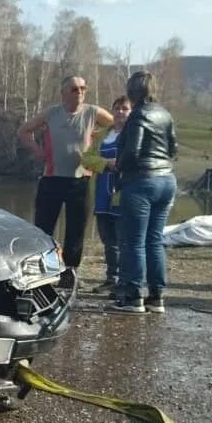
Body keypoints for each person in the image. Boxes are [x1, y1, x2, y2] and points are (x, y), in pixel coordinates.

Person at [18, 75, 116, 286]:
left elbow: (119, 126)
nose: (79, 92)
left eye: (83, 88)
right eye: (74, 89)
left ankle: (69, 274)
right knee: (43, 228)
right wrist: (37, 150)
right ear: (63, 92)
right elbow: (24, 131)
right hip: (52, 179)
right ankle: (42, 271)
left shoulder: (92, 112)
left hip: (80, 180)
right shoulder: (52, 113)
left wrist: (100, 145)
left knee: (76, 230)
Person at [106, 71, 178, 314]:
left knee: (133, 241)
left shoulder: (137, 116)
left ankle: (132, 296)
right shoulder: (165, 114)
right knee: (154, 240)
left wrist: (118, 167)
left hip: (141, 181)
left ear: (132, 93)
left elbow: (133, 152)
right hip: (166, 180)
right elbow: (173, 147)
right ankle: (156, 297)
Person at [90, 96, 130, 294]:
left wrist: (120, 165)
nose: (120, 112)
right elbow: (87, 159)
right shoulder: (102, 135)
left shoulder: (132, 135)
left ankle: (124, 280)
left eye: (124, 108)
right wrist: (106, 164)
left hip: (124, 192)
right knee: (107, 240)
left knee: (123, 239)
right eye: (117, 108)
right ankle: (110, 278)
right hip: (102, 193)